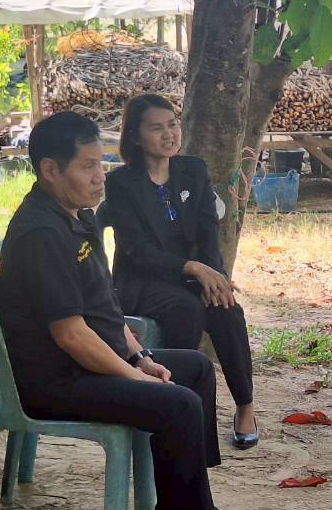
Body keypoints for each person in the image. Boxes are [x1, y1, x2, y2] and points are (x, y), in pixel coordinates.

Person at [0, 111, 247, 510]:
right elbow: (70, 334)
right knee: (176, 404)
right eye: (88, 166)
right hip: (54, 380)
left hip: (83, 364)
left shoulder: (76, 217)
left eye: (102, 163)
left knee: (192, 369)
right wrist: (133, 378)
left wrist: (141, 358)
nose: (100, 176)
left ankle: (191, 507)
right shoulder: (42, 234)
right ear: (50, 169)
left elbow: (105, 311)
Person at [104, 94, 258, 449]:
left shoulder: (193, 170)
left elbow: (208, 232)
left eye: (172, 124)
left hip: (190, 277)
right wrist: (192, 268)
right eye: (156, 128)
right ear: (136, 137)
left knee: (227, 309)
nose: (168, 134)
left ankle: (245, 406)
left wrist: (214, 277)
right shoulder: (121, 184)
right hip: (141, 281)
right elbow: (137, 250)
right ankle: (178, 404)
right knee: (186, 310)